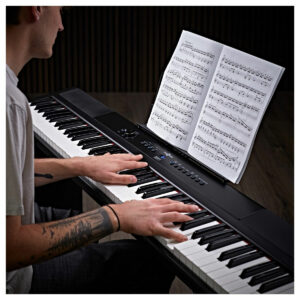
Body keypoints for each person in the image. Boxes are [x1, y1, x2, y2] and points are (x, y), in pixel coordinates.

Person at [6, 6, 199, 293]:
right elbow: (10, 249)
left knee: (76, 219)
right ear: (36, 9)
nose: (60, 25)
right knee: (152, 261)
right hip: (12, 280)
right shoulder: (9, 104)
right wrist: (116, 216)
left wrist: (80, 166)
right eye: (59, 10)